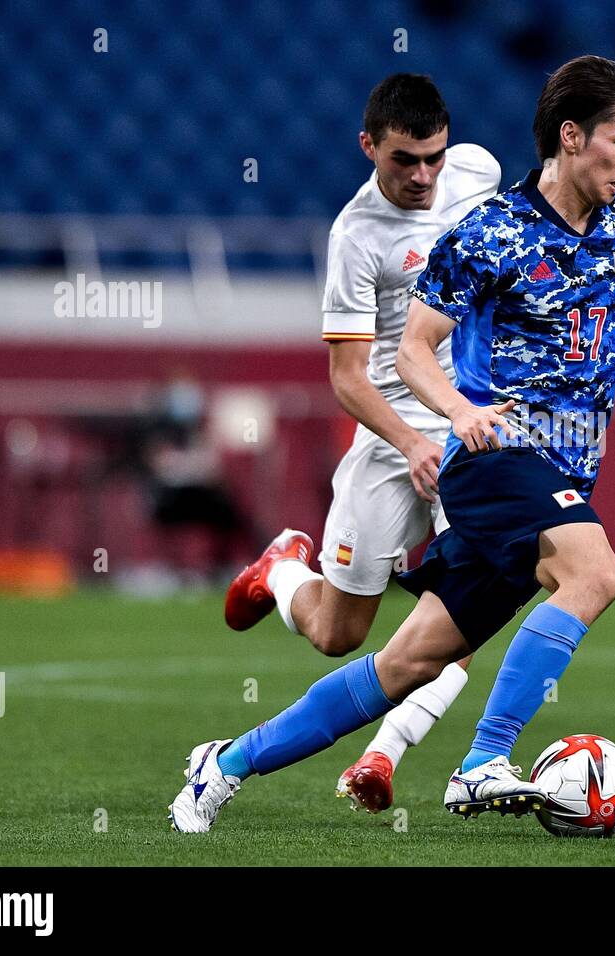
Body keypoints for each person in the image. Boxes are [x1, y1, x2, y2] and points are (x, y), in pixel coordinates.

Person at [169, 55, 615, 833]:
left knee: (403, 664)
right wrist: (455, 411)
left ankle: (223, 763)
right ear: (572, 138)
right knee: (594, 572)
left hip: (565, 464)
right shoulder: (488, 231)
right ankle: (482, 762)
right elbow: (411, 350)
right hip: (492, 455)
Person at [216, 73, 501, 816]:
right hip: (390, 434)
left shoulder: (479, 172)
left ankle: (383, 753)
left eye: (434, 158)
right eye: (405, 159)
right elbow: (346, 379)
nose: (424, 176)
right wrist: (409, 442)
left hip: (470, 429)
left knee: (465, 607)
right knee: (338, 634)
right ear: (368, 146)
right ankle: (281, 568)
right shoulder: (356, 236)